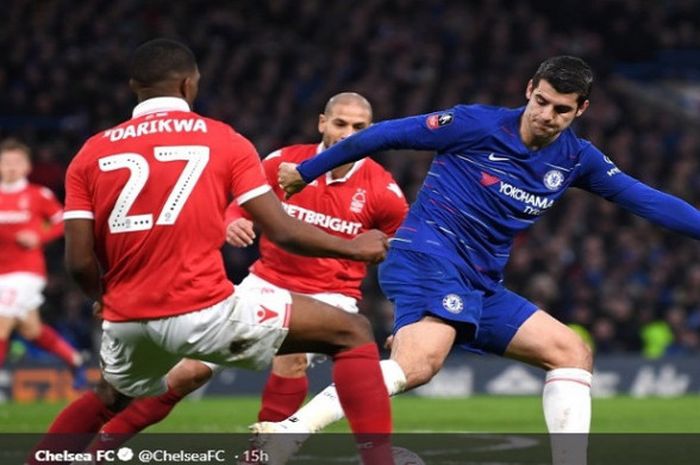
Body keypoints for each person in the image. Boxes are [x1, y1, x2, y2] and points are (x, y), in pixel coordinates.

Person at [274, 55, 700, 465]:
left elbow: (646, 199)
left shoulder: (576, 159)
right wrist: (308, 170)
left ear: (581, 109)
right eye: (542, 101)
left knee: (571, 351)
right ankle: (290, 431)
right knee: (420, 364)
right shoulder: (474, 124)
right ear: (529, 89)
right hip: (427, 253)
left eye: (562, 110)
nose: (547, 115)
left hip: (481, 282)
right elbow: (382, 134)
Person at [27, 39, 394, 465]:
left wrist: (102, 298)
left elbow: (77, 261)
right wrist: (354, 246)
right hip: (202, 306)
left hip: (128, 315)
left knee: (109, 395)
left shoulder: (90, 151)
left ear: (133, 86)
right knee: (353, 333)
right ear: (189, 84)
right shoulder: (223, 139)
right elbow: (282, 231)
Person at [93, 92, 408, 445]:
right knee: (189, 373)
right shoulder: (282, 163)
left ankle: (262, 454)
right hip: (265, 283)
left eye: (359, 127)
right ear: (322, 122)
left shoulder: (384, 190)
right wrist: (232, 222)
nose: (348, 134)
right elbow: (240, 204)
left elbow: (403, 256)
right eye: (340, 124)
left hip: (331, 296)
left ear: (372, 130)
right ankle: (106, 442)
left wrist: (405, 317)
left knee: (291, 360)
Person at [0, 139, 86, 389]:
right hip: (2, 272)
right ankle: (75, 358)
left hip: (26, 272)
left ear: (27, 166)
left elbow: (63, 220)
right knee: (30, 329)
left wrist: (39, 236)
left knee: (2, 321)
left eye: (16, 162)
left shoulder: (38, 195)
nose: (11, 167)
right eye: (6, 162)